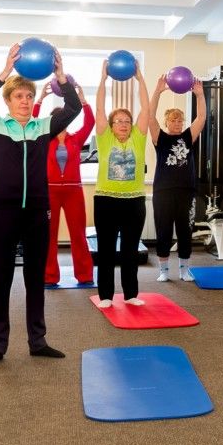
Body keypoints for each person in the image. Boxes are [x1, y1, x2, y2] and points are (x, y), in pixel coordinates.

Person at [0, 44, 81, 365]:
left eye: (29, 96)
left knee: (35, 278)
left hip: (36, 211)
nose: (25, 101)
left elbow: (73, 107)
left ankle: (38, 340)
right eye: (18, 96)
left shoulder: (43, 127)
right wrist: (4, 73)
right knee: (0, 278)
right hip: (2, 210)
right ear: (8, 100)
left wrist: (61, 76)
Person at [92, 71, 150, 308]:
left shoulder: (138, 137)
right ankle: (105, 295)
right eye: (119, 121)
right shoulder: (105, 138)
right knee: (106, 250)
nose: (124, 124)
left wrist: (140, 78)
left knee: (130, 250)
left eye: (127, 121)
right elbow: (99, 109)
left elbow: (146, 109)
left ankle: (130, 294)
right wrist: (102, 79)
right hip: (106, 200)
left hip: (134, 201)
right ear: (111, 125)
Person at [146, 73, 206, 282]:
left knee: (185, 231)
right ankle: (163, 271)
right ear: (167, 122)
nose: (178, 123)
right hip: (163, 191)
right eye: (174, 119)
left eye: (180, 120)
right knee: (163, 230)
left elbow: (201, 118)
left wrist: (200, 95)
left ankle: (183, 270)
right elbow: (149, 116)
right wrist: (158, 91)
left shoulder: (188, 137)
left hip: (186, 191)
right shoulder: (159, 138)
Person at [40, 78, 95, 287]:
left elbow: (89, 123)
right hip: (50, 191)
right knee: (49, 236)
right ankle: (49, 276)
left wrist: (83, 101)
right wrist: (40, 99)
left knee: (78, 234)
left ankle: (85, 274)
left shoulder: (76, 139)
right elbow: (32, 121)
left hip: (73, 191)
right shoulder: (45, 139)